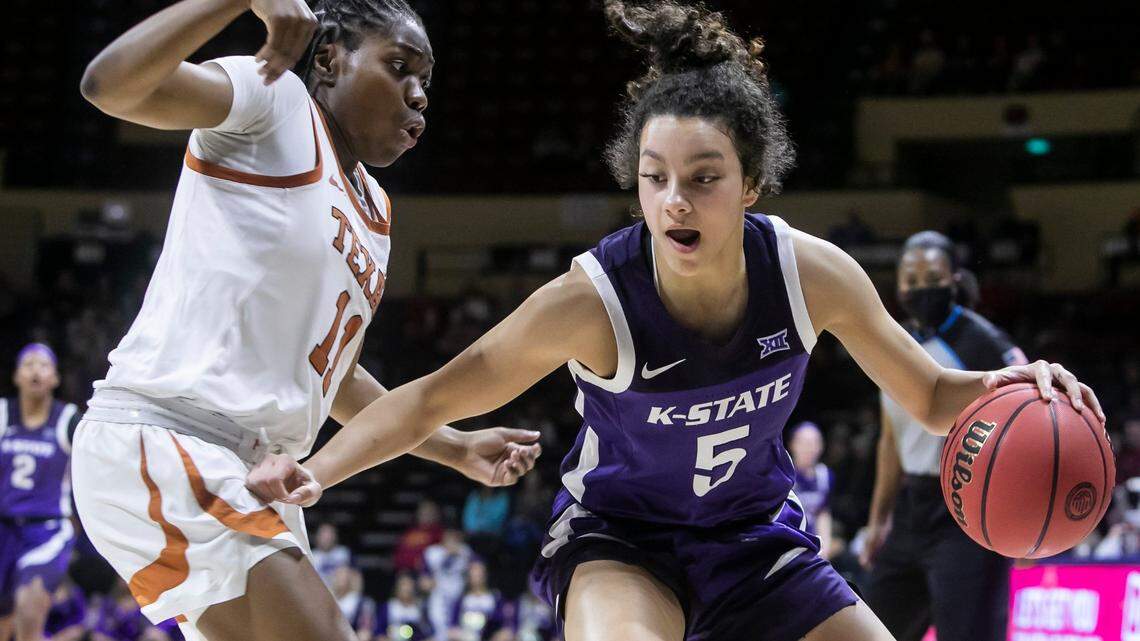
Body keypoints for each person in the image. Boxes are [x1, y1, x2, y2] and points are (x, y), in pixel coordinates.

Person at [248, 3, 1104, 640]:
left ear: (751, 184)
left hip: (754, 539)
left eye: (703, 177)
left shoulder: (808, 273)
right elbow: (432, 399)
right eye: (655, 176)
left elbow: (927, 393)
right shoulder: (594, 300)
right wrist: (319, 474)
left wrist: (1016, 382)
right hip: (623, 542)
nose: (674, 200)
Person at [70, 2, 541, 640]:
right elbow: (110, 85)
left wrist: (452, 447)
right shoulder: (275, 103)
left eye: (426, 81)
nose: (418, 94)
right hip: (168, 435)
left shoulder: (376, 211)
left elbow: (334, 376)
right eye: (399, 66)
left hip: (258, 473)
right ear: (328, 59)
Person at [860, 231, 1029, 641]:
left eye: (932, 277)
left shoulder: (986, 344)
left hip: (970, 509)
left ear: (954, 278)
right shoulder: (894, 343)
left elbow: (1030, 430)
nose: (921, 289)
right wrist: (878, 520)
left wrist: (1021, 521)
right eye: (911, 280)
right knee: (872, 628)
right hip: (910, 510)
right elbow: (891, 441)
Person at [0, 344, 81, 641]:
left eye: (43, 365)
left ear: (55, 379)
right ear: (17, 376)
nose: (35, 369)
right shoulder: (2, 414)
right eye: (28, 364)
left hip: (47, 529)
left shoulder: (69, 420)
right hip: (4, 528)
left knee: (28, 609)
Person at [788, 422, 833, 558]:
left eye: (814, 442)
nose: (810, 448)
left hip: (814, 545)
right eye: (804, 443)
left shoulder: (825, 475)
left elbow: (823, 512)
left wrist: (826, 546)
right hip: (789, 545)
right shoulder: (784, 476)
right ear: (793, 445)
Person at [421, 529, 475, 641]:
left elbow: (476, 570)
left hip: (459, 597)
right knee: (438, 627)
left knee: (458, 631)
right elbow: (424, 580)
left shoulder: (465, 551)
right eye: (449, 537)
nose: (452, 541)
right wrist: (427, 581)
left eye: (455, 538)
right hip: (438, 596)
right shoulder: (433, 552)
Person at [448, 561, 501, 641]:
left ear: (485, 575)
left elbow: (499, 622)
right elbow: (453, 626)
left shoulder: (494, 597)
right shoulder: (462, 599)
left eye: (479, 573)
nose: (476, 576)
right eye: (473, 573)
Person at [376, 573, 432, 641]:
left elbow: (427, 632)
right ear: (397, 588)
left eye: (409, 585)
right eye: (403, 585)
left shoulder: (419, 608)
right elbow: (378, 632)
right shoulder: (388, 607)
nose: (406, 589)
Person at [312, 523, 353, 587]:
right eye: (323, 535)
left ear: (335, 536)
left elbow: (353, 576)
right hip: (318, 590)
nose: (327, 538)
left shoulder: (343, 553)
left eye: (329, 534)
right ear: (317, 537)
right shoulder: (312, 555)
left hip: (339, 590)